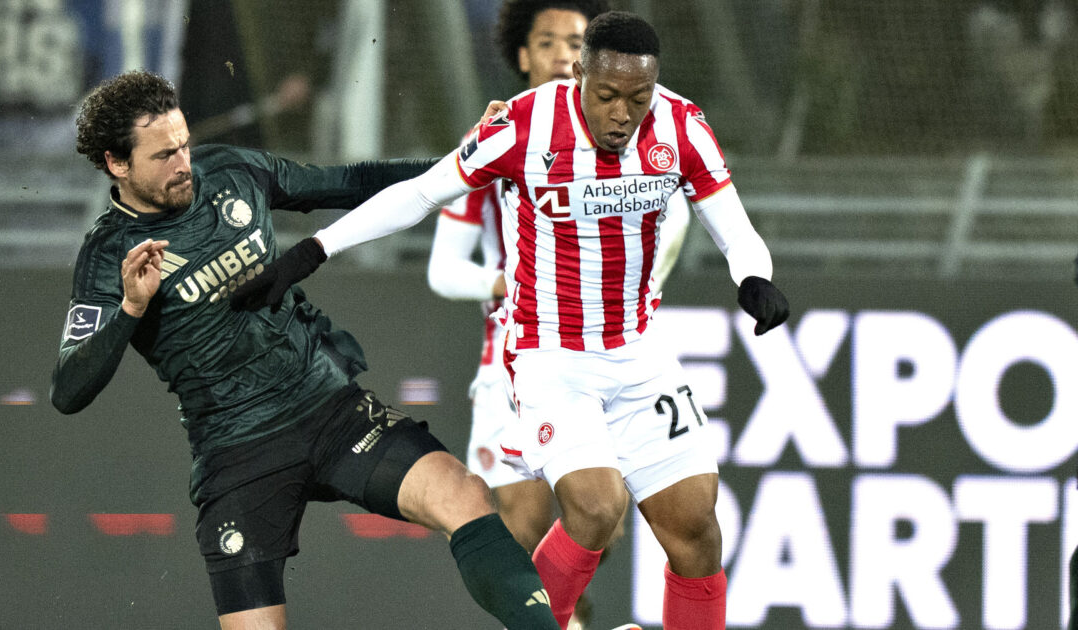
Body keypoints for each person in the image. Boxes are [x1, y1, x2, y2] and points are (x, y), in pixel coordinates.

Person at [232, 11, 790, 630]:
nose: (622, 115)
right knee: (596, 507)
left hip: (639, 351)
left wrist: (754, 276)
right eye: (607, 96)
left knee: (696, 530)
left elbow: (734, 228)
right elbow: (420, 193)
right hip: (552, 354)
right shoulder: (523, 125)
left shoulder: (681, 126)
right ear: (580, 76)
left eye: (638, 99)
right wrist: (315, 249)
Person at [49, 70, 562, 630]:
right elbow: (68, 390)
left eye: (184, 144)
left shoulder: (230, 170)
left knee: (465, 496)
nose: (183, 164)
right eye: (163, 155)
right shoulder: (108, 255)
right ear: (116, 163)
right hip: (236, 452)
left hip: (328, 409)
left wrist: (466, 161)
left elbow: (349, 181)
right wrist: (130, 308)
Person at [425, 2, 687, 628]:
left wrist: (638, 284)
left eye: (575, 42)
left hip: (607, 355)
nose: (562, 54)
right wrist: (507, 282)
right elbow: (442, 269)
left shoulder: (634, 136)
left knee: (599, 520)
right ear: (522, 55)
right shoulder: (497, 138)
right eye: (546, 42)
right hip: (515, 362)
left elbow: (676, 214)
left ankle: (569, 618)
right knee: (520, 529)